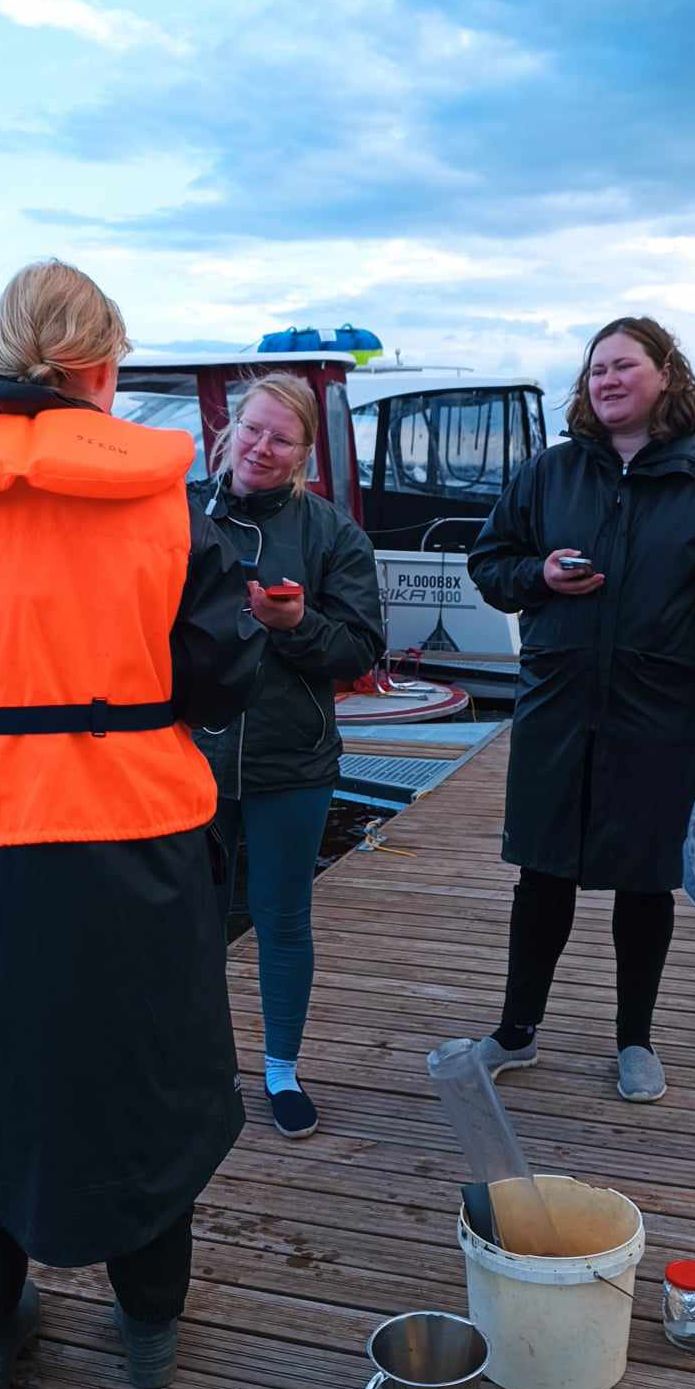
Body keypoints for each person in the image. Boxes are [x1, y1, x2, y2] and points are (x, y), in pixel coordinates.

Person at [0, 258, 264, 1389]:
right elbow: (222, 670)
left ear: (2, 361)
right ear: (102, 368)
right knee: (152, 1085)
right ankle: (149, 1332)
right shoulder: (164, 504)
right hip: (139, 841)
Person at [464, 316, 695, 1104]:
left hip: (659, 709)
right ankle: (516, 1032)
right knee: (543, 875)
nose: (606, 380)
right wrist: (539, 572)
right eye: (596, 369)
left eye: (624, 366)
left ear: (666, 374)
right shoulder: (551, 472)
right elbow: (489, 562)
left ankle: (635, 1040)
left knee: (646, 882)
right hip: (558, 704)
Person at [190, 372, 385, 1139]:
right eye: (252, 430)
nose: (261, 448)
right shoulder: (176, 514)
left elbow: (361, 650)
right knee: (186, 924)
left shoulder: (334, 535)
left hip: (292, 763)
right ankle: (199, 1067)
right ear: (229, 429)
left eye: (281, 438)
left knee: (282, 921)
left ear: (304, 452)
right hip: (187, 761)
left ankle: (279, 1070)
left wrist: (296, 623)